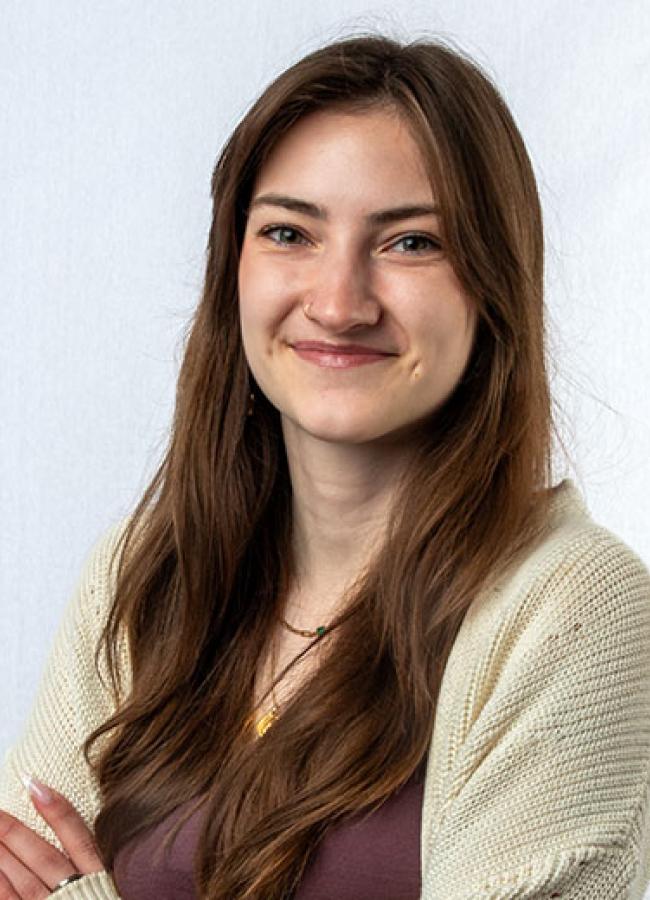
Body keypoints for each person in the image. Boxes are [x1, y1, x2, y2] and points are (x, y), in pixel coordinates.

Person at [1, 31, 649, 900]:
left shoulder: (575, 613)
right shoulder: (147, 573)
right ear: (232, 269)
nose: (339, 303)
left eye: (411, 243)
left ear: (492, 284)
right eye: (289, 232)